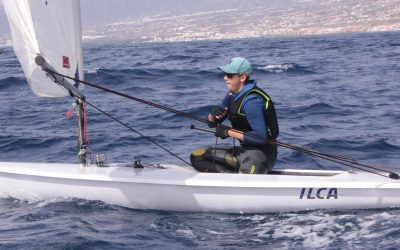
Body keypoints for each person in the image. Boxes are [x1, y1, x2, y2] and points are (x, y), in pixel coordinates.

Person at [190, 57, 279, 174]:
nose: (225, 78)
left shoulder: (252, 101)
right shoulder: (232, 95)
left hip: (261, 154)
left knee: (244, 182)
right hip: (243, 151)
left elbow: (261, 138)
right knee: (197, 157)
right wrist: (212, 114)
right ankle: (229, 177)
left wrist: (228, 132)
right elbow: (212, 124)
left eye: (230, 75)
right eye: (225, 74)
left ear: (242, 77)